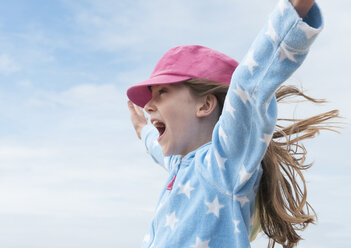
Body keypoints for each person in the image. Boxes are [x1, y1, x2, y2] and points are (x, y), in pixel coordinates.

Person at [127, 0, 339, 247]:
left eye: (162, 92)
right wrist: (143, 129)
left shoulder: (223, 164)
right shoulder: (180, 164)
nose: (149, 105)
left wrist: (293, 11)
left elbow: (249, 86)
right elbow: (156, 147)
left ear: (205, 105)